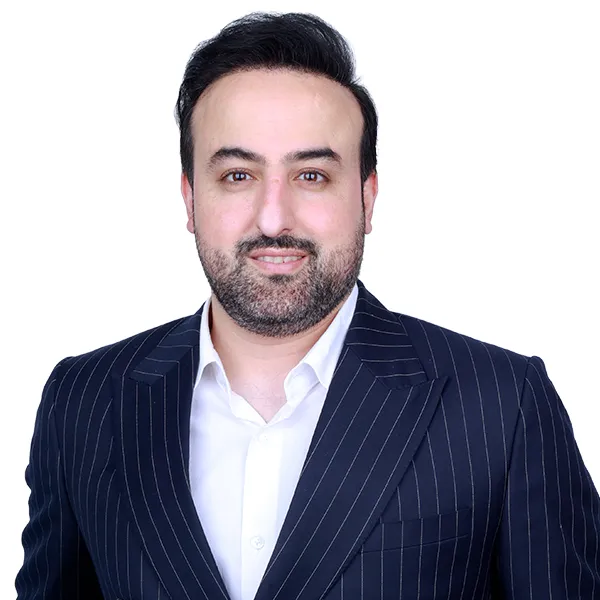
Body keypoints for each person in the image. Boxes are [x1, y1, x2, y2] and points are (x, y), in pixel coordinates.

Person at [15, 11, 600, 600]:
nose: (274, 219)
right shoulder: (83, 402)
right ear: (190, 198)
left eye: (312, 176)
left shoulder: (501, 404)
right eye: (238, 175)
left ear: (368, 197)